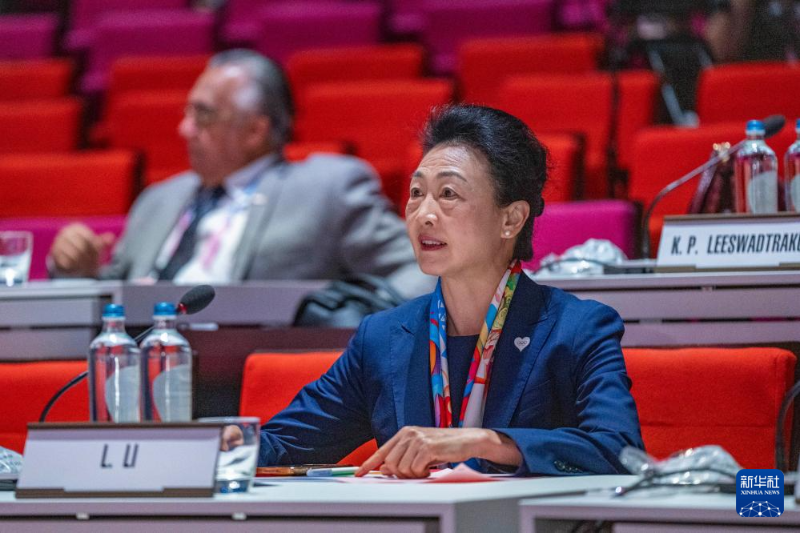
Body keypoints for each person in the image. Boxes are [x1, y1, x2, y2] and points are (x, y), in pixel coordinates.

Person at [254, 105, 643, 478]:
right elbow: (282, 444)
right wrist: (229, 441)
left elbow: (619, 452)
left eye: (449, 194)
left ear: (511, 219)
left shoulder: (577, 329)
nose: (423, 214)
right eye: (416, 192)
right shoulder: (382, 339)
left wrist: (484, 443)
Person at [49, 49, 431, 297]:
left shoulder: (326, 189)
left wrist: (368, 340)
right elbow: (111, 298)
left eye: (203, 115)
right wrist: (76, 270)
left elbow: (420, 269)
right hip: (139, 366)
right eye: (187, 113)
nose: (184, 129)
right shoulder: (158, 200)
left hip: (247, 372)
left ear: (255, 131)